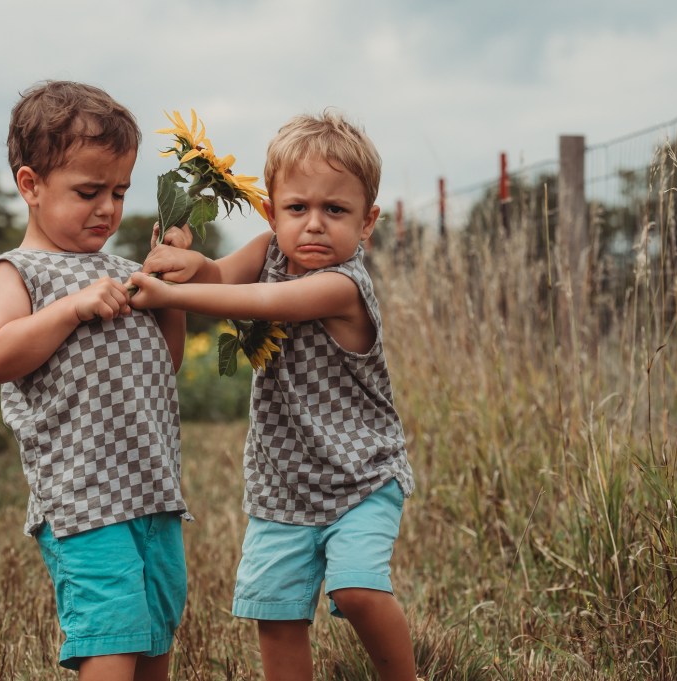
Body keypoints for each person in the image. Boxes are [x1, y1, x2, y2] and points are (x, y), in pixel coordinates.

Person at [129, 110, 418, 681]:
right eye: (297, 208)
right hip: (281, 483)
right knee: (277, 613)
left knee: (357, 589)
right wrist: (187, 260)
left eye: (335, 210)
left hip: (361, 477)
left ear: (368, 223)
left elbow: (256, 304)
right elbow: (218, 279)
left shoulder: (343, 286)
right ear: (271, 212)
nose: (314, 225)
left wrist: (168, 292)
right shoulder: (267, 252)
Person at [0, 80, 193, 681]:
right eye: (89, 191)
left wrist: (168, 295)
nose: (108, 208)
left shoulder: (123, 272)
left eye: (119, 191)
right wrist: (71, 307)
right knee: (111, 638)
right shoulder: (18, 272)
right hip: (82, 500)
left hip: (153, 491)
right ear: (30, 186)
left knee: (154, 637)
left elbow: (163, 363)